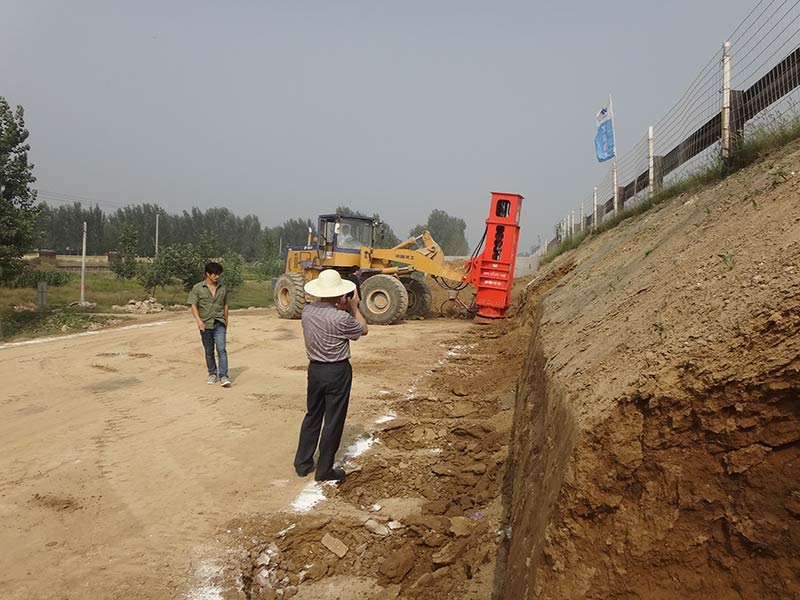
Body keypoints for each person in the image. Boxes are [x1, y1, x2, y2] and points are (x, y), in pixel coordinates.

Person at [294, 269, 368, 481]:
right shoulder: (340, 318)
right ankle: (324, 469)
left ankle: (303, 462)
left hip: (315, 369)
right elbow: (362, 330)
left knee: (313, 415)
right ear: (341, 294)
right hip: (336, 370)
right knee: (333, 420)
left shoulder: (307, 312)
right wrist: (353, 308)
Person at [187, 262, 231, 387]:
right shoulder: (198, 288)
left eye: (219, 274)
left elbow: (226, 305)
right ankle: (212, 373)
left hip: (219, 322)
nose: (217, 276)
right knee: (209, 351)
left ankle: (223, 375)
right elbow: (193, 305)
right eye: (215, 274)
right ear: (207, 274)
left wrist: (226, 320)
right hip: (205, 324)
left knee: (221, 349)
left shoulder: (223, 288)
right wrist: (199, 321)